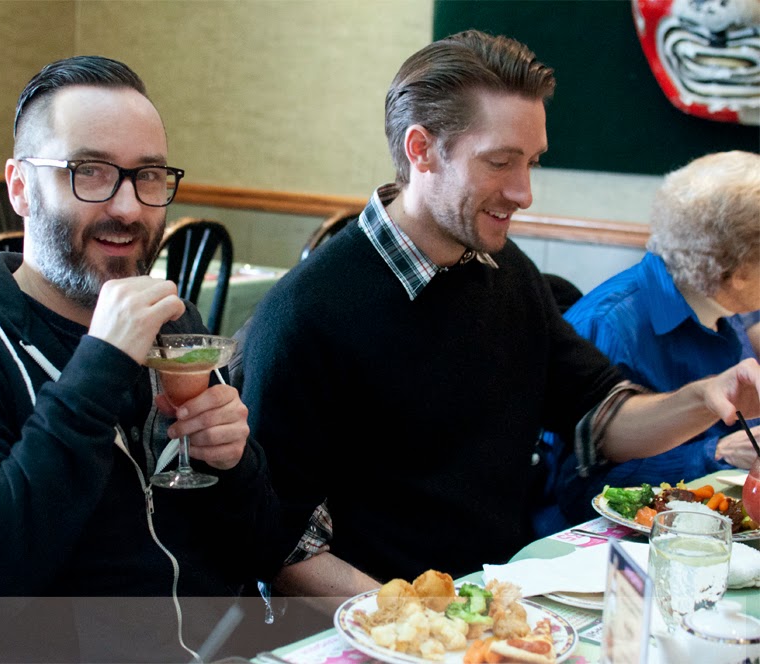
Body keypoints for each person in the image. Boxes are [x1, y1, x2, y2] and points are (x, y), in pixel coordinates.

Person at [240, 30, 760, 605]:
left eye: (532, 162)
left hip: (501, 593)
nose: (524, 192)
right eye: (500, 162)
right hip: (381, 617)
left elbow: (602, 417)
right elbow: (283, 550)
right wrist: (431, 624)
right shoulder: (306, 314)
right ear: (421, 150)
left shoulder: (506, 272)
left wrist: (708, 396)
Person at [0, 56, 281, 661]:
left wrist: (234, 463)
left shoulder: (173, 323)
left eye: (148, 176)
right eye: (89, 172)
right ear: (20, 186)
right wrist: (100, 363)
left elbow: (260, 548)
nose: (128, 208)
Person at [547, 151, 760, 527]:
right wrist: (719, 453)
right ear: (740, 269)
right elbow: (575, 491)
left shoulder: (726, 305)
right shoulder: (609, 325)